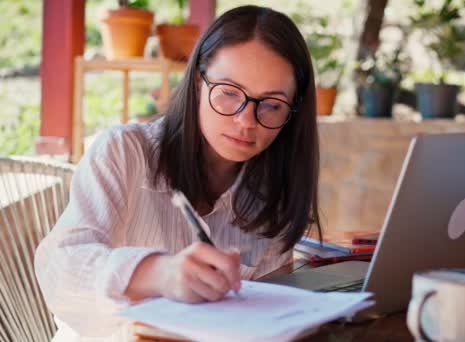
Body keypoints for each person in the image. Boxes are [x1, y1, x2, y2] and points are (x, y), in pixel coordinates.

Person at [35, 5, 322, 341]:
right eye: (229, 93)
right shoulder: (125, 151)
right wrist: (160, 273)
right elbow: (61, 269)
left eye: (271, 104)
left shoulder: (273, 188)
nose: (246, 121)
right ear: (199, 83)